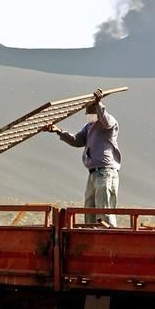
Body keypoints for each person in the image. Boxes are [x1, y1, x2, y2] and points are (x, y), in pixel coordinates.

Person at [44, 88, 121, 227]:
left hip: (106, 171)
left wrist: (98, 104)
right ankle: (91, 232)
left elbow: (106, 121)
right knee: (89, 205)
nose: (88, 115)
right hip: (93, 172)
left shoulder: (108, 122)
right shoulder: (89, 126)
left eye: (90, 111)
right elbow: (77, 141)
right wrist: (59, 131)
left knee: (104, 205)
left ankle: (108, 234)